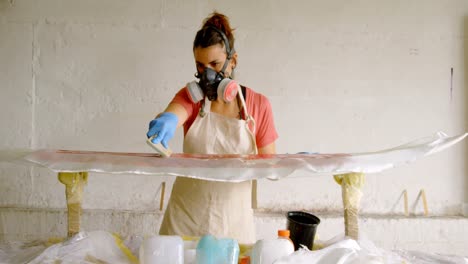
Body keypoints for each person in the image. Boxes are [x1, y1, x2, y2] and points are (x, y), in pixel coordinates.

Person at [146, 12, 278, 244]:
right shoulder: (192, 98)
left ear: (232, 61)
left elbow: (271, 166)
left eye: (215, 64)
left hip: (234, 225)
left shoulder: (258, 105)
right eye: (200, 65)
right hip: (185, 221)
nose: (207, 74)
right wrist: (166, 119)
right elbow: (175, 112)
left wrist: (293, 161)